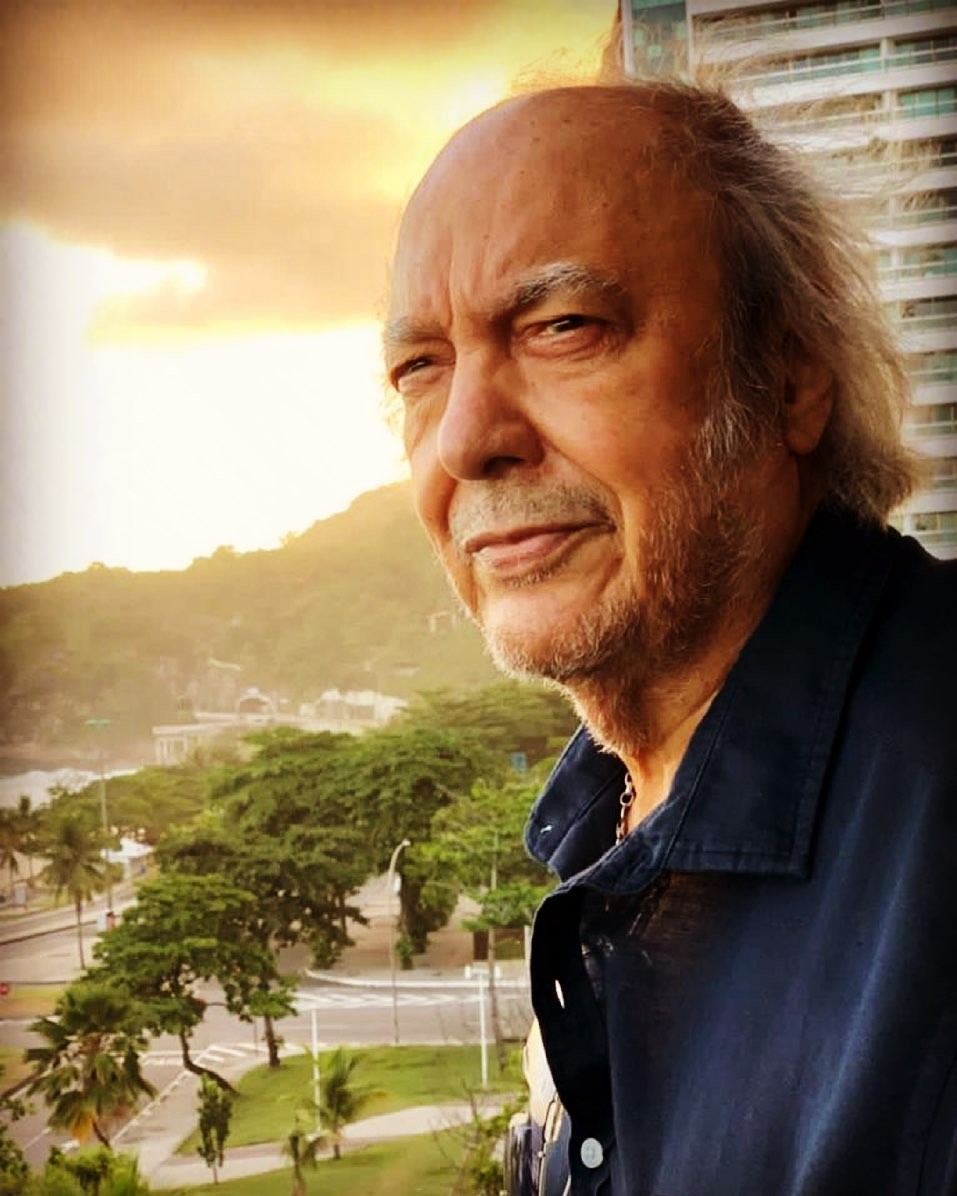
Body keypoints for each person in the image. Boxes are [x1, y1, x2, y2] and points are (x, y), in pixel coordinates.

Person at [384, 78, 957, 1195]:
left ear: (788, 374)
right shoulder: (611, 807)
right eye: (421, 368)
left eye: (562, 327)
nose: (463, 439)